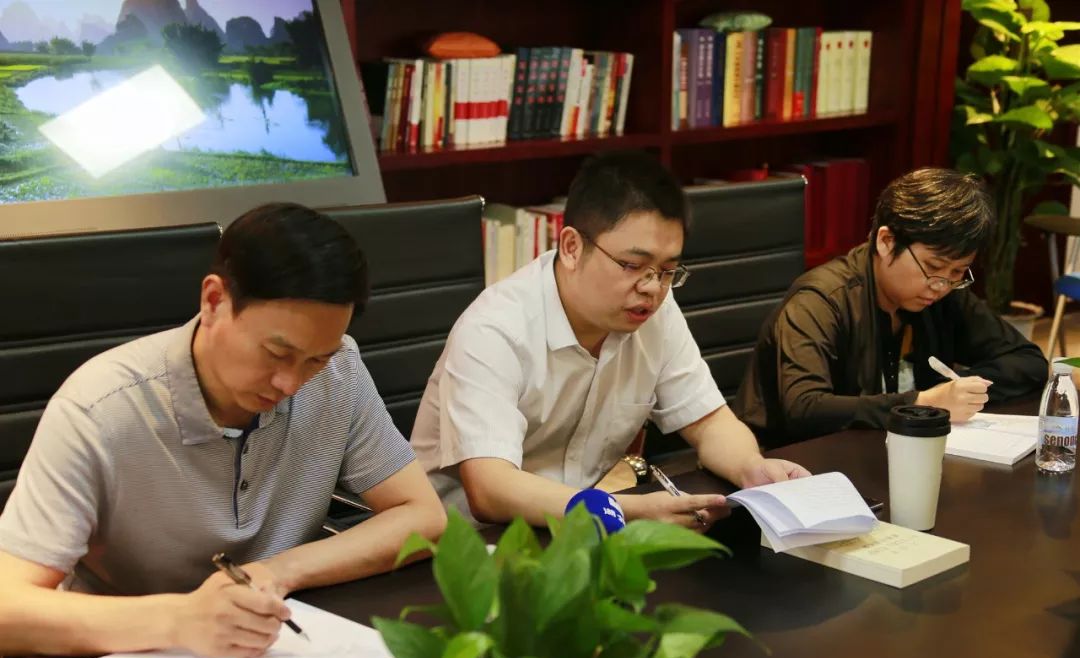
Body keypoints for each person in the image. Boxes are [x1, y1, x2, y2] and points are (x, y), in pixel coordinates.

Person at [0, 203, 446, 658]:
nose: (291, 383)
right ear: (214, 301)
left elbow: (424, 517)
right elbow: (7, 606)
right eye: (276, 353)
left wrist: (277, 572)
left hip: (269, 649)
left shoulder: (338, 370)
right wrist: (180, 619)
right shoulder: (98, 408)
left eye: (315, 359)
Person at [411, 151, 809, 529]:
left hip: (580, 530)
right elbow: (490, 490)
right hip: (470, 547)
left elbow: (709, 423)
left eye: (668, 270)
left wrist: (752, 468)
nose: (652, 288)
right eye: (633, 265)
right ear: (571, 247)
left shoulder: (654, 312)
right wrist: (625, 511)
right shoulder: (495, 330)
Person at [734, 167, 1048, 448]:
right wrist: (921, 402)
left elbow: (1028, 361)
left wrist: (958, 391)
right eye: (933, 267)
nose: (941, 285)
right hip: (791, 462)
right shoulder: (821, 300)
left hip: (885, 451)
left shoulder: (943, 291)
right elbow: (804, 408)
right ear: (886, 242)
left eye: (957, 272)